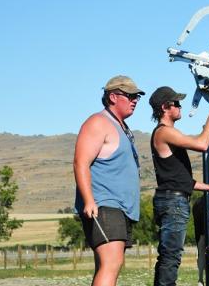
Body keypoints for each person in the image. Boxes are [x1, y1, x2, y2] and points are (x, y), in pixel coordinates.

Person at [73, 75, 144, 286]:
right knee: (111, 263)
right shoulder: (98, 122)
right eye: (130, 96)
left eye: (136, 97)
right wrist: (89, 201)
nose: (134, 100)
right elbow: (80, 162)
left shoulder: (121, 127)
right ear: (113, 96)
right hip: (104, 205)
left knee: (109, 265)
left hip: (120, 208)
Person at [148, 86, 209, 286]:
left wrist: (208, 187)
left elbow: (179, 179)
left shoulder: (167, 133)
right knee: (171, 257)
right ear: (166, 107)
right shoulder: (164, 132)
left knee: (168, 255)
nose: (180, 107)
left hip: (173, 198)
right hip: (174, 202)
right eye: (177, 103)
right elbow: (202, 144)